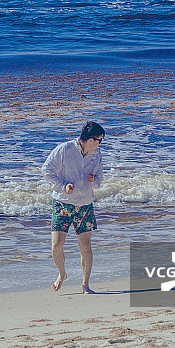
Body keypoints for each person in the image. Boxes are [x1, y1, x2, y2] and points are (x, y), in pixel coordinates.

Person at [41, 121, 105, 294]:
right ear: (90, 139)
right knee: (56, 246)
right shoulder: (65, 149)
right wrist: (63, 186)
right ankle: (62, 275)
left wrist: (94, 181)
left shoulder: (96, 154)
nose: (99, 144)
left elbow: (100, 179)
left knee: (85, 246)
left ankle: (85, 285)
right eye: (98, 140)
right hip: (62, 203)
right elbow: (46, 170)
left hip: (85, 204)